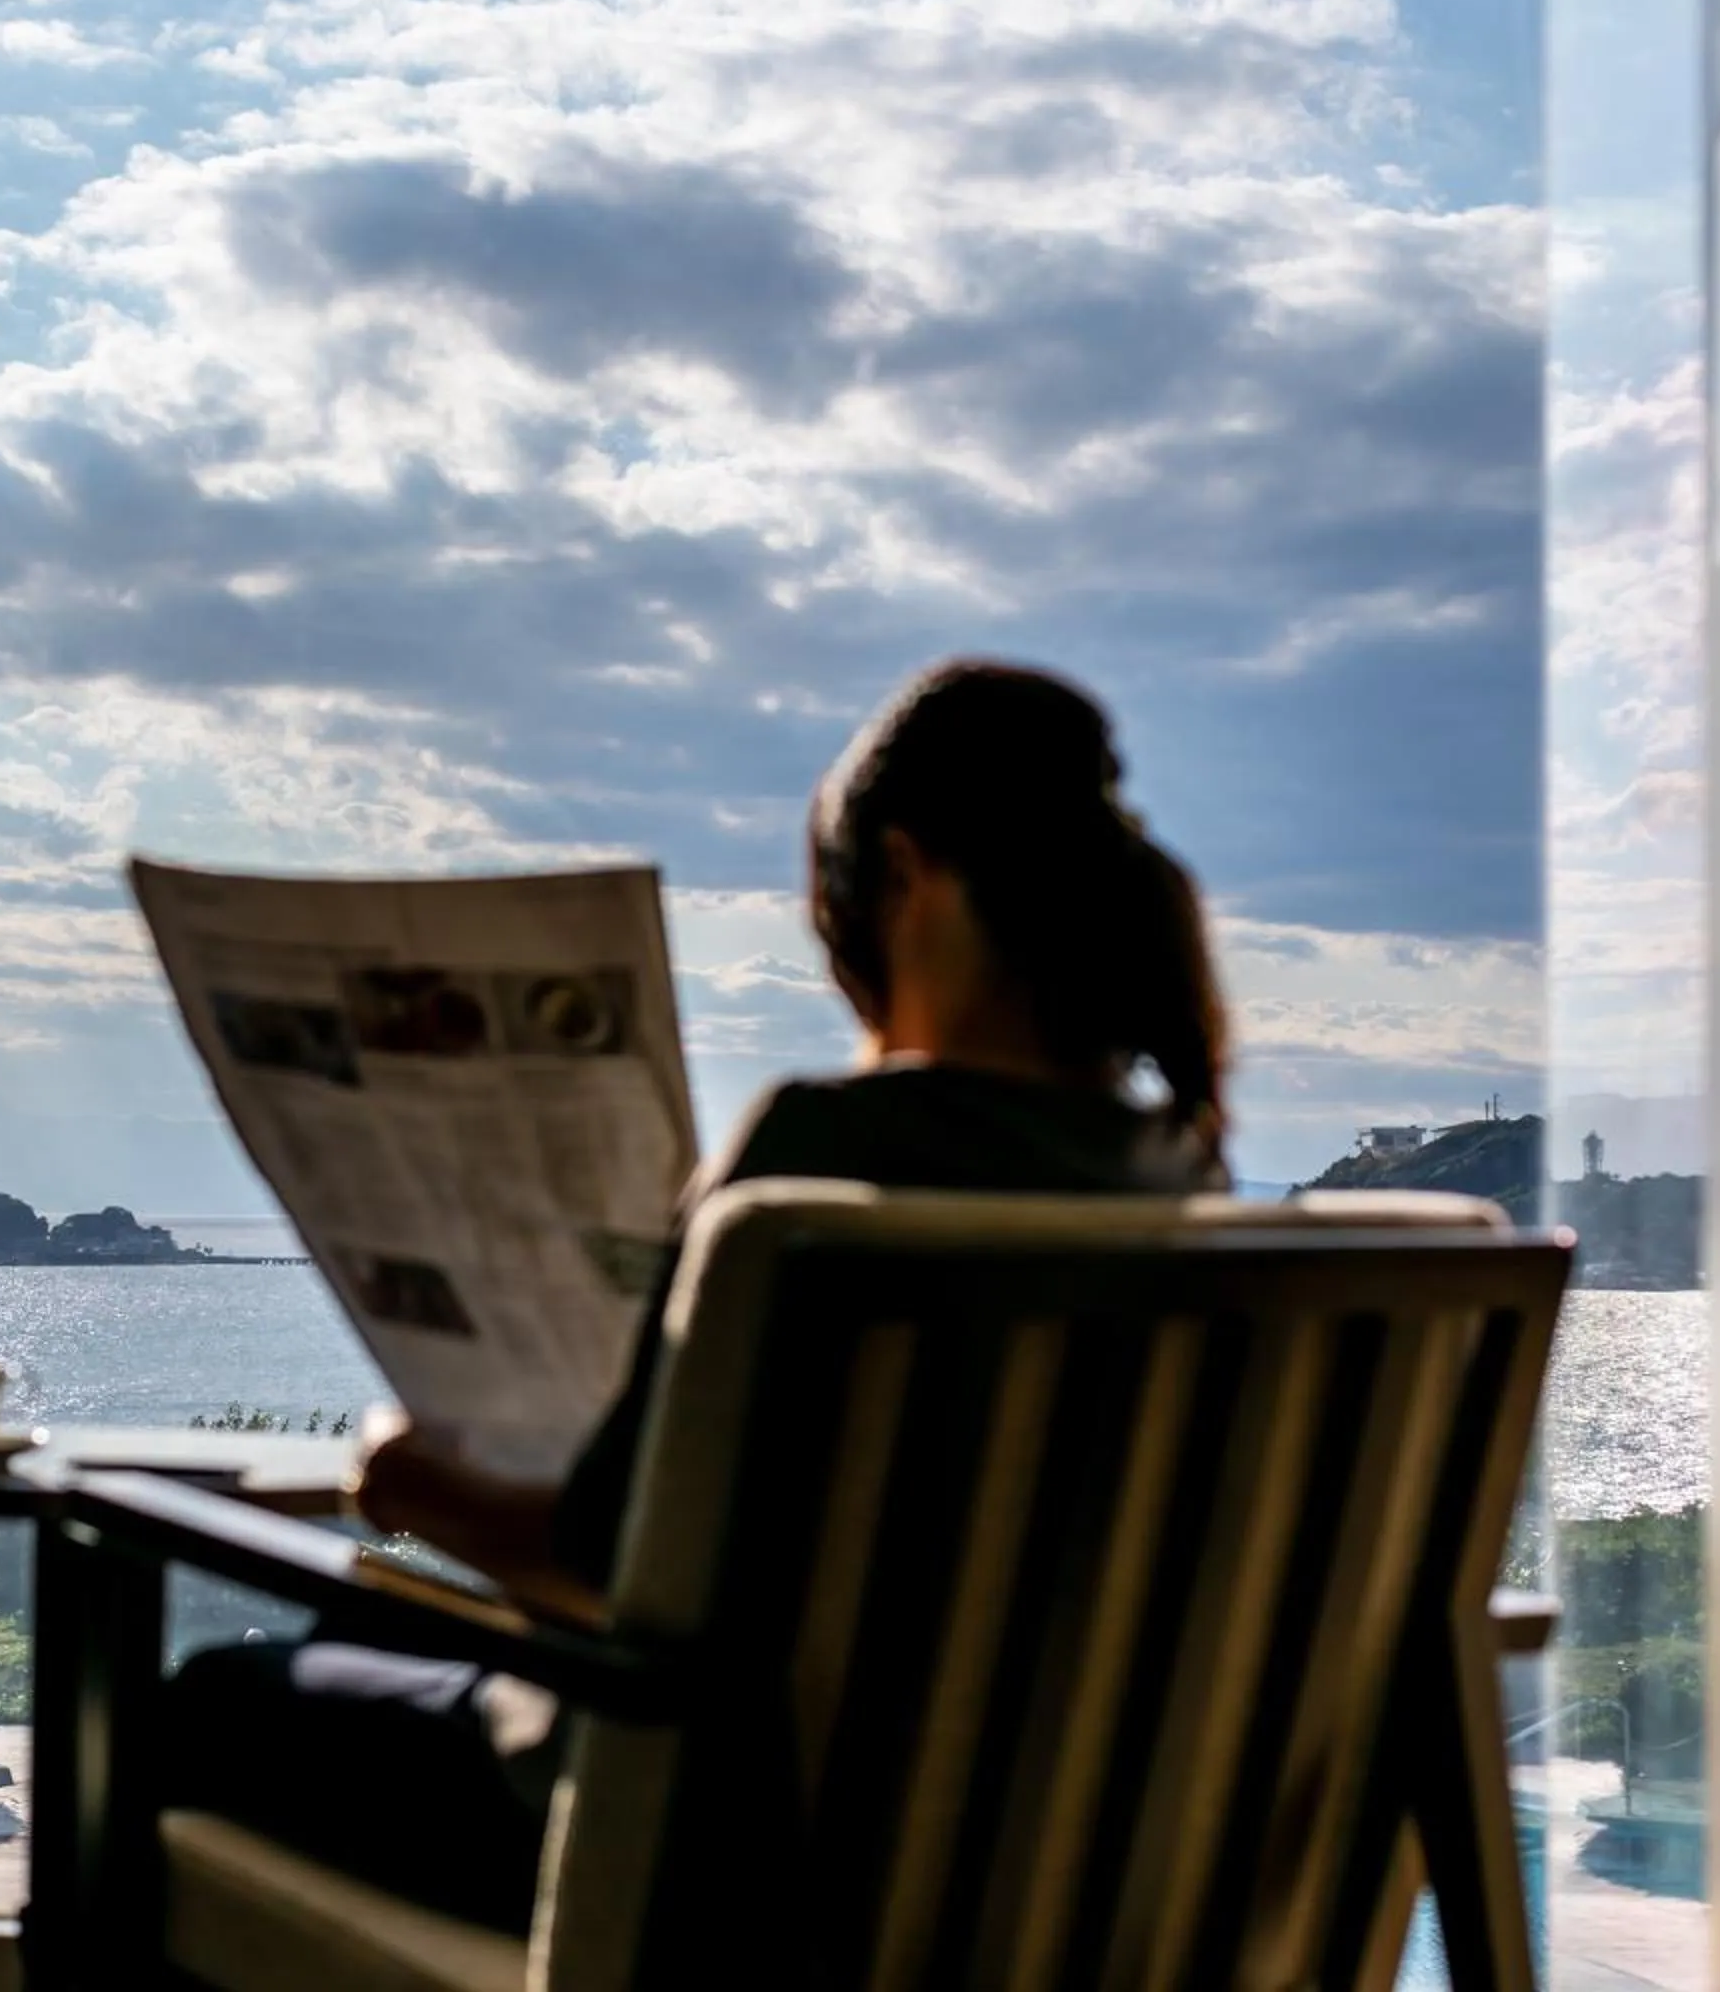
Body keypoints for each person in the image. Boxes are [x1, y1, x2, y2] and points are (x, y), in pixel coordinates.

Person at [158, 658, 1234, 1932]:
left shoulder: (825, 1156)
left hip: (730, 1865)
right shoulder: (1184, 1182)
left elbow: (612, 1568)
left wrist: (405, 1481)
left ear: (899, 879)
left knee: (202, 1703)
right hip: (1072, 1877)